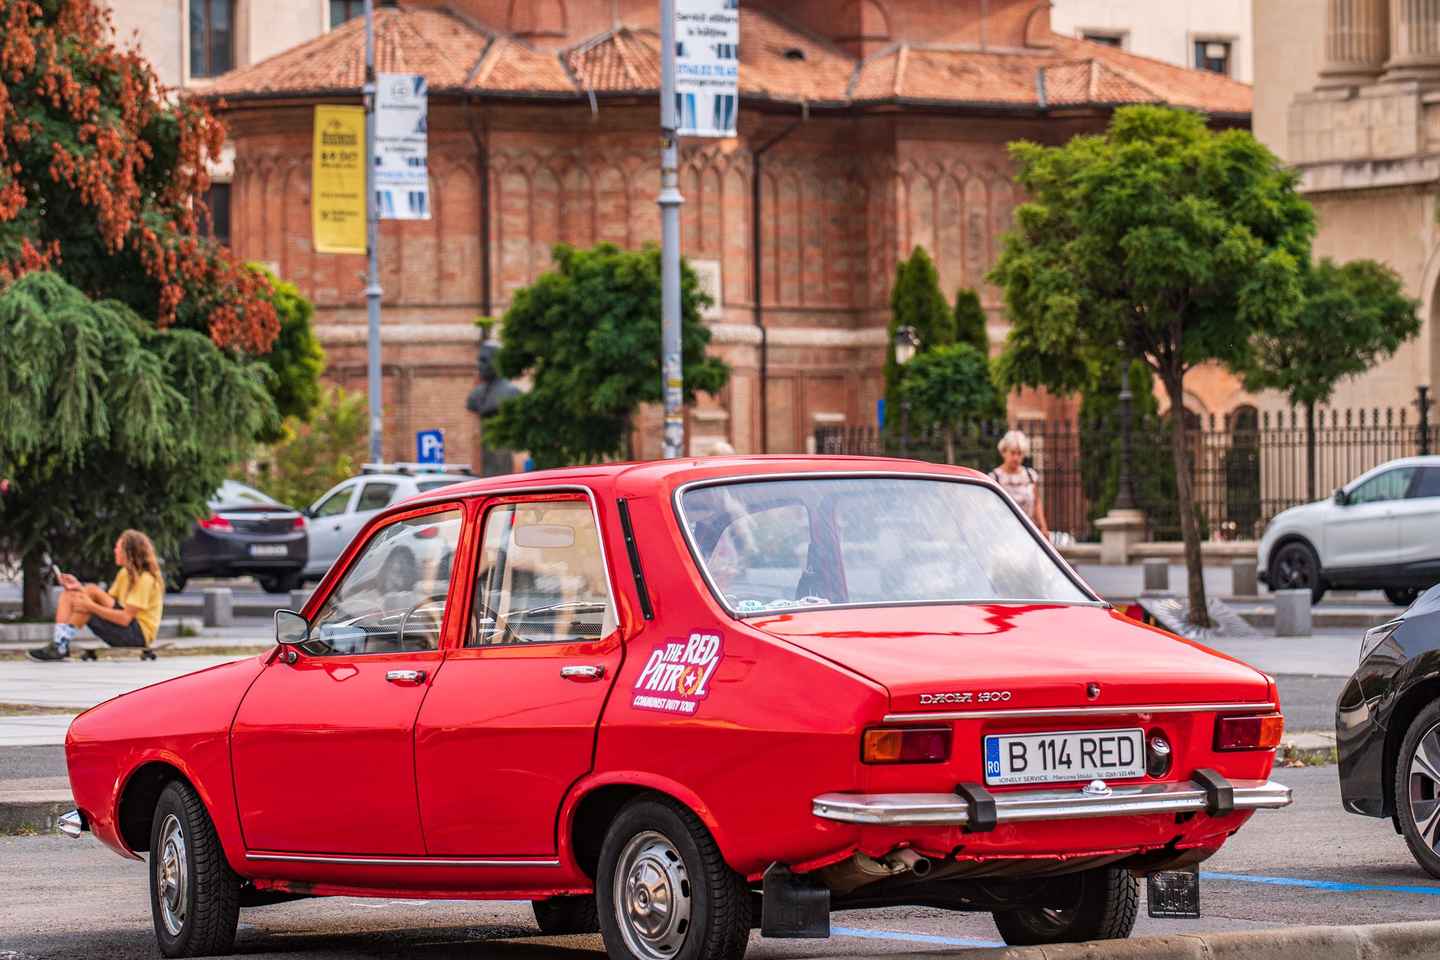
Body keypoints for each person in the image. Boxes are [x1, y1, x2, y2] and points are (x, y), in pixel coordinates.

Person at [28, 530, 165, 662]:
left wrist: (90, 606)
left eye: (118, 547)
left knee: (87, 602)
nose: (115, 551)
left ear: (129, 553)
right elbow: (106, 601)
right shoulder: (124, 573)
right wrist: (79, 588)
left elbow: (125, 619)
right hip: (127, 628)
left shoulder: (145, 579)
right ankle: (59, 644)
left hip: (137, 636)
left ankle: (60, 646)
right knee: (76, 593)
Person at [989, 430, 1050, 539]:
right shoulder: (995, 477)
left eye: (1020, 453)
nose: (1016, 458)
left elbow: (1037, 502)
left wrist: (1043, 527)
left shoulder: (1030, 475)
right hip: (1003, 532)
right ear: (1004, 452)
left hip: (1028, 531)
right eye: (1012, 453)